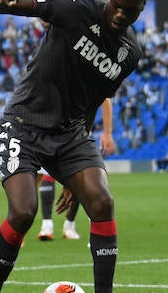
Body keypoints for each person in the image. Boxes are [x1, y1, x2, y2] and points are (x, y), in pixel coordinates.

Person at [0, 0, 152, 293]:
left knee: (101, 202)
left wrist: (76, 170)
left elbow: (93, 99)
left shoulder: (129, 53)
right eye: (118, 5)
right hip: (24, 122)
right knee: (23, 212)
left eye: (132, 11)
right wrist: (9, 1)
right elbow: (34, 4)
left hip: (71, 134)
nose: (122, 14)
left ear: (142, 8)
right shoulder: (75, 7)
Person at [38, 98, 115, 241]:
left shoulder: (85, 80)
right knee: (40, 174)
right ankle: (45, 225)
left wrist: (108, 133)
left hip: (78, 137)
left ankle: (69, 225)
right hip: (52, 134)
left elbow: (105, 100)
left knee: (82, 180)